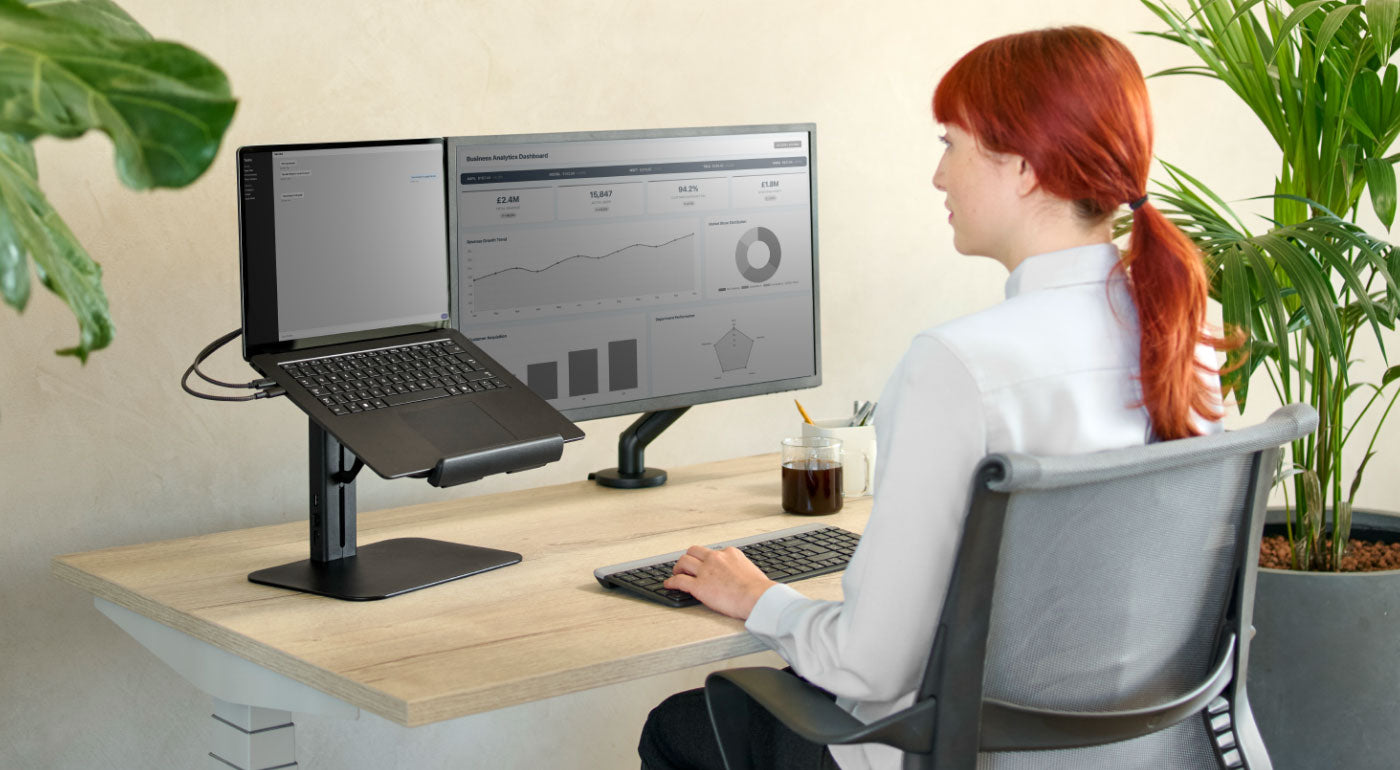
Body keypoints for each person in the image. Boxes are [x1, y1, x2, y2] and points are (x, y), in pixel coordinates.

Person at [638, 25, 1230, 770]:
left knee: (682, 727)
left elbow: (871, 666)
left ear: (1022, 167)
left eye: (950, 143)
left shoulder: (959, 364)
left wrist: (758, 597)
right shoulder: (1186, 330)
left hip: (944, 750)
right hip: (1133, 749)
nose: (938, 177)